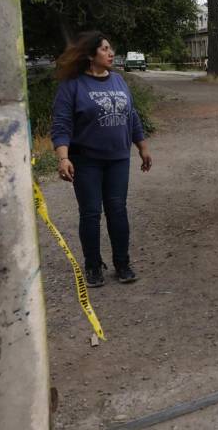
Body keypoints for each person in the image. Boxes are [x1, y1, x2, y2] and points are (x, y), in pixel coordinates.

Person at [50, 32, 153, 287]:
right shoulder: (72, 85)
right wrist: (63, 158)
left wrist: (142, 147)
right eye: (105, 49)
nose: (111, 53)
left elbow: (132, 116)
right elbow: (61, 124)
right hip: (86, 160)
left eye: (110, 49)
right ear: (89, 55)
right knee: (91, 214)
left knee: (118, 210)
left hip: (118, 158)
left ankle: (122, 263)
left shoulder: (118, 81)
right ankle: (93, 266)